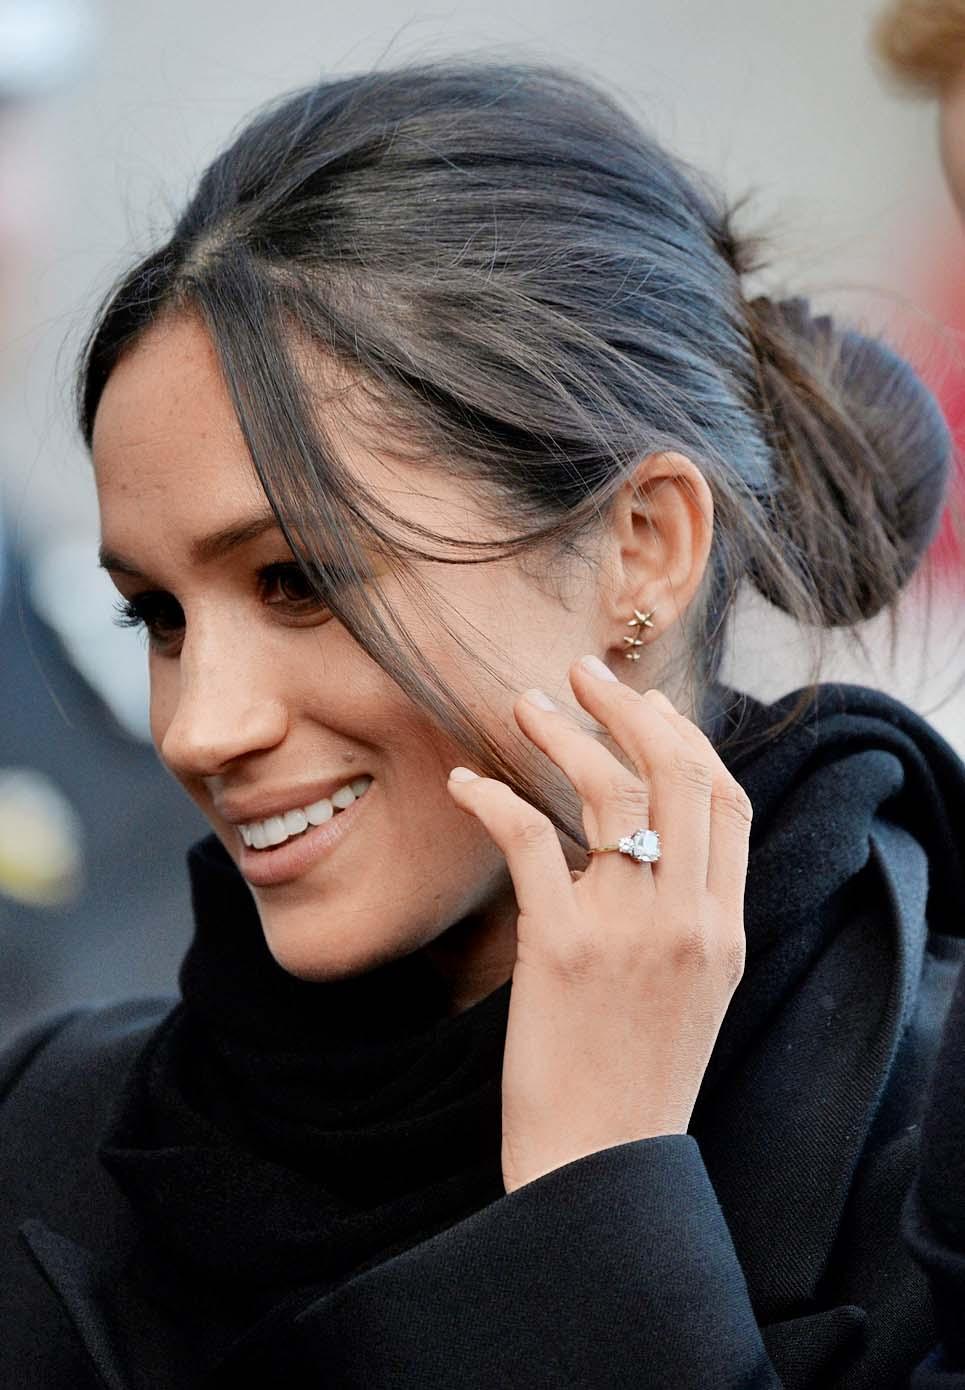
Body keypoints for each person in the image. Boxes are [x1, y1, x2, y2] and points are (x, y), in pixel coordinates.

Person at [1, 59, 964, 1389]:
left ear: (642, 548)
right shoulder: (50, 1129)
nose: (199, 728)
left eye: (299, 581)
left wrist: (598, 1193)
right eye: (157, 616)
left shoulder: (924, 1162)